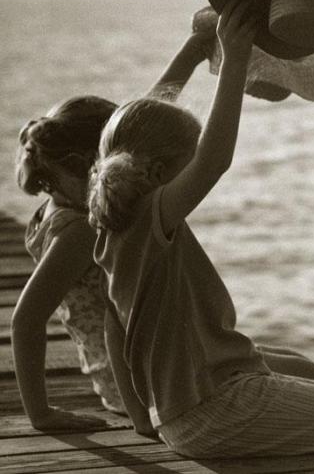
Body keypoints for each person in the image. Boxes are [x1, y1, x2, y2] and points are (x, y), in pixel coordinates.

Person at [88, 0, 314, 471]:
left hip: (182, 412)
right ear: (156, 173)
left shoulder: (114, 225)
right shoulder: (153, 215)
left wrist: (195, 51)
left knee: (300, 366)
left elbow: (114, 329)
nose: (192, 176)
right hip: (214, 411)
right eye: (185, 166)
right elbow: (214, 160)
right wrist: (234, 61)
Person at [11, 24, 219, 432]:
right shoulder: (80, 231)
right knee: (289, 372)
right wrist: (42, 415)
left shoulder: (56, 207)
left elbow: (144, 122)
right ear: (90, 163)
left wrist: (193, 51)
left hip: (136, 370)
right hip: (143, 385)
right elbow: (25, 320)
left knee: (287, 364)